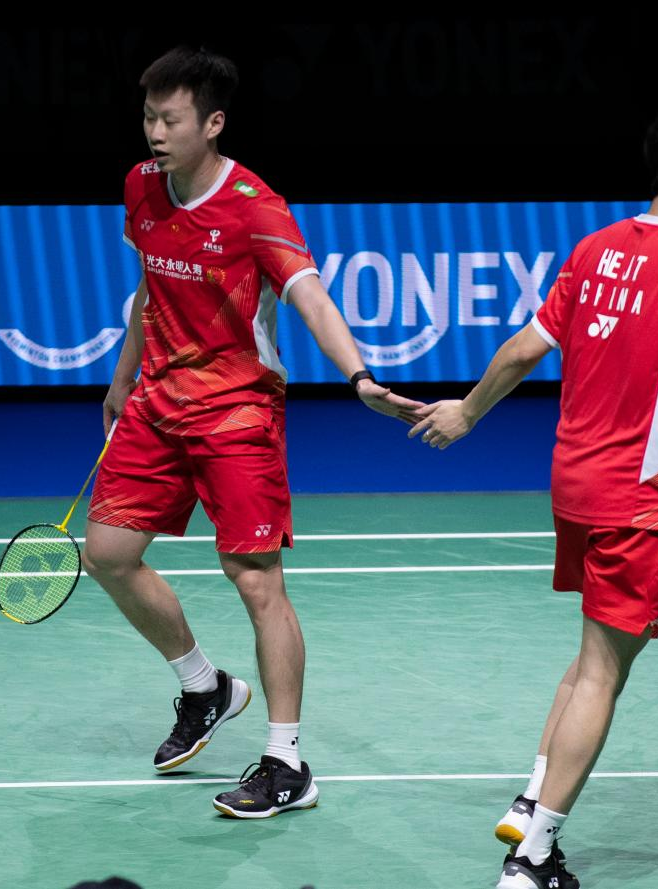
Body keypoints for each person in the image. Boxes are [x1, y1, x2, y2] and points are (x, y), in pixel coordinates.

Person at [409, 96, 658, 888]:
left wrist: (467, 412)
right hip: (639, 500)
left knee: (591, 658)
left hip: (574, 487)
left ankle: (530, 796)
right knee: (601, 674)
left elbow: (524, 348)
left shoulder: (594, 250)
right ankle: (533, 856)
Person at [82, 45, 423, 820]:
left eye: (170, 119)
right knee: (106, 554)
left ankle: (286, 760)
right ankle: (204, 686)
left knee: (256, 580)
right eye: (148, 117)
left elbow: (311, 297)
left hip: (236, 410)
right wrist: (121, 376)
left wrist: (359, 377)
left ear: (213, 123)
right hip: (157, 403)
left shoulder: (254, 207)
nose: (155, 132)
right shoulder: (140, 187)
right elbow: (148, 288)